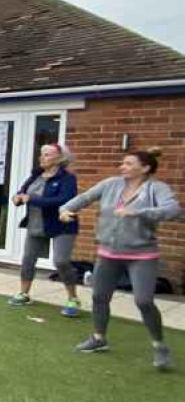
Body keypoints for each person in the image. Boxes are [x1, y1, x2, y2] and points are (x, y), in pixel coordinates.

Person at [59, 148, 181, 369]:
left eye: (128, 163)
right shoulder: (111, 184)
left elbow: (173, 210)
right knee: (99, 297)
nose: (122, 167)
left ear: (144, 168)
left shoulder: (156, 188)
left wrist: (141, 212)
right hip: (108, 253)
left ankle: (159, 345)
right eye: (122, 163)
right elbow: (85, 197)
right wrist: (65, 208)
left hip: (142, 255)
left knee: (143, 301)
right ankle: (98, 338)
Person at [9, 144, 81, 316]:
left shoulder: (67, 178)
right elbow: (22, 192)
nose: (42, 157)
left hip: (61, 225)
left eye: (47, 154)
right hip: (35, 224)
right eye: (41, 154)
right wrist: (17, 198)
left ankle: (73, 298)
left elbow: (65, 199)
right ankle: (24, 294)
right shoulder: (35, 175)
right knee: (28, 259)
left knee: (61, 261)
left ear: (60, 158)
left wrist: (32, 199)